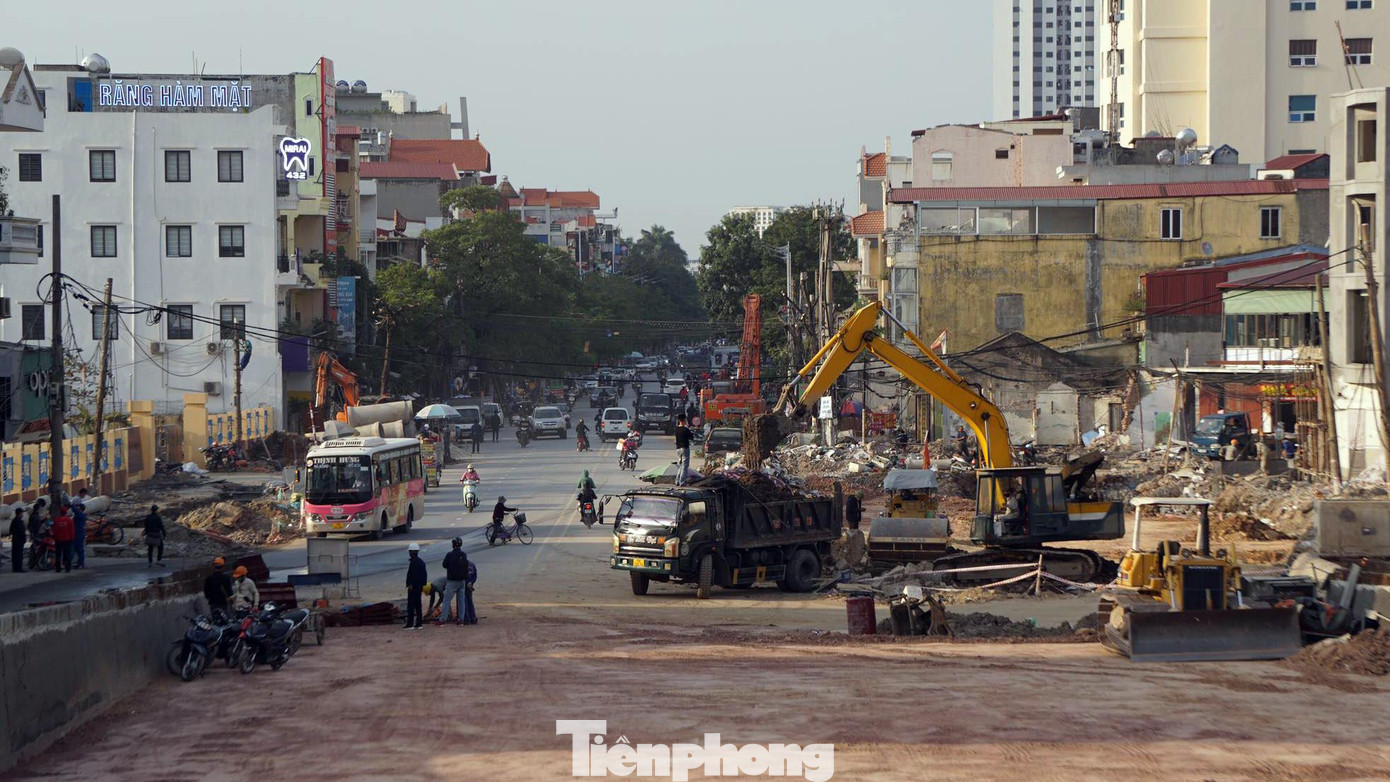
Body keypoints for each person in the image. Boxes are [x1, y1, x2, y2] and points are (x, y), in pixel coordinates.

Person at [441, 537, 470, 625]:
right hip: (462, 581)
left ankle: (442, 619)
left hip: (452, 580)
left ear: (453, 545)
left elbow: (444, 564)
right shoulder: (463, 554)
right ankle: (461, 619)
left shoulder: (450, 554)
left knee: (446, 600)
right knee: (461, 601)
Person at [405, 542, 426, 630]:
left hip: (413, 587)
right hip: (419, 587)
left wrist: (410, 584)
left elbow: (412, 575)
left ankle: (410, 624)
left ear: (411, 552)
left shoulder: (413, 562)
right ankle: (419, 623)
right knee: (418, 605)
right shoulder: (421, 562)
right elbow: (424, 575)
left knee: (411, 605)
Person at [51, 505, 75, 573]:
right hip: (67, 539)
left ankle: (58, 568)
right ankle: (68, 568)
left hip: (58, 539)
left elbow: (54, 530)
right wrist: (72, 538)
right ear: (66, 512)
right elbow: (72, 530)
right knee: (67, 554)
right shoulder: (69, 520)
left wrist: (54, 537)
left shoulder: (57, 520)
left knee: (58, 554)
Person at [71, 488, 89, 570]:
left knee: (77, 549)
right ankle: (80, 563)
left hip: (78, 534)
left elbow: (74, 509)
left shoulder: (79, 515)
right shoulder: (82, 516)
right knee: (78, 549)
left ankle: (79, 563)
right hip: (79, 534)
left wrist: (70, 504)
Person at [674, 414, 693, 486]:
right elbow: (691, 437)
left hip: (678, 449)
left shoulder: (676, 429)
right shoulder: (685, 429)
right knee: (685, 466)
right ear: (684, 420)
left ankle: (677, 481)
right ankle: (682, 482)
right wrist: (688, 427)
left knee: (680, 465)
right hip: (685, 448)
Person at [9, 506, 26, 573]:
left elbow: (11, 530)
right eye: (22, 513)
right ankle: (19, 568)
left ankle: (15, 568)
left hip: (15, 540)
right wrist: (23, 538)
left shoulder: (14, 520)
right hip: (19, 540)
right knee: (19, 555)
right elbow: (21, 532)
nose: (22, 514)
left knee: (15, 554)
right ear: (19, 513)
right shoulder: (19, 521)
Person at [463, 556, 478, 624]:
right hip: (470, 585)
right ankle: (473, 618)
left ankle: (466, 619)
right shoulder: (472, 564)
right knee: (470, 601)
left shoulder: (462, 565)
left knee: (464, 602)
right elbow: (475, 575)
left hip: (463, 585)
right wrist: (471, 582)